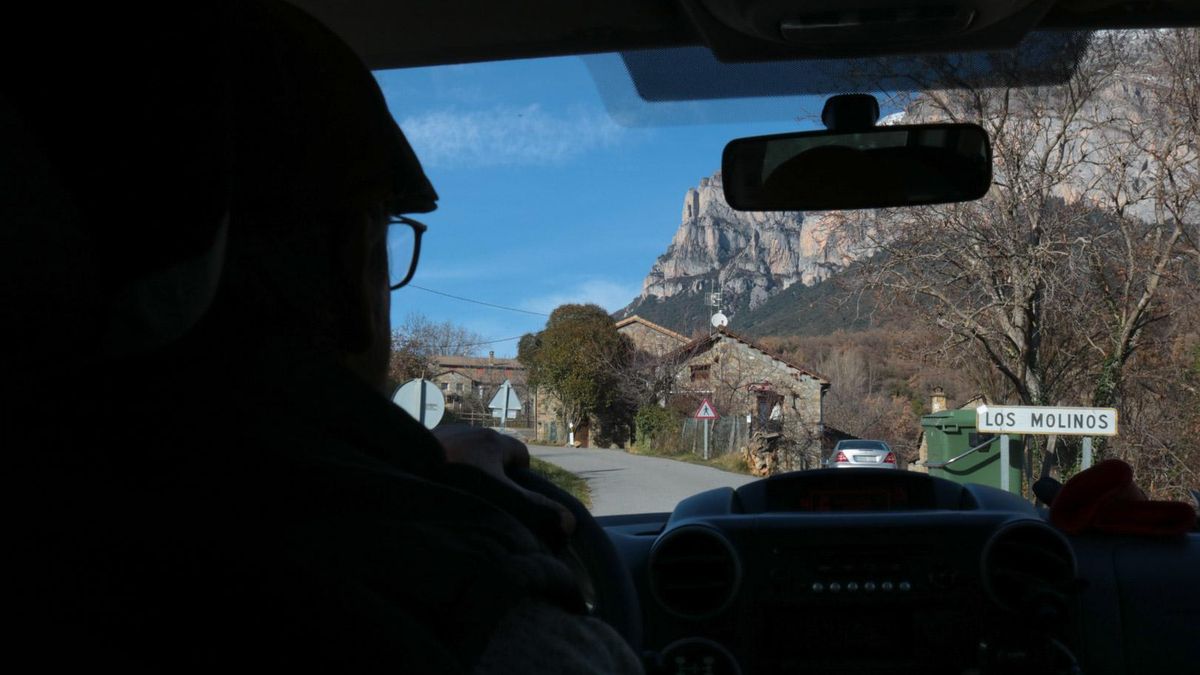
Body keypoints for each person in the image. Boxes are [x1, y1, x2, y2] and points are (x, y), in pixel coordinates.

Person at [8, 1, 640, 671]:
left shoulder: (48, 504)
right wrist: (464, 516)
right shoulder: (468, 607)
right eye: (385, 241)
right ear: (352, 263)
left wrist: (410, 464)